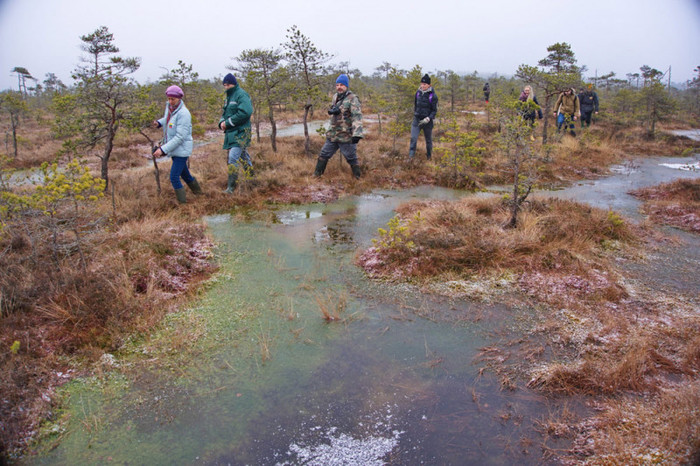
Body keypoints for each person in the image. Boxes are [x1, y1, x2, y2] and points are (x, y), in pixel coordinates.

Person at [151, 85, 200, 204]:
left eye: (173, 99)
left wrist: (163, 150)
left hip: (181, 150)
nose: (170, 101)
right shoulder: (170, 107)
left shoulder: (184, 114)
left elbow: (180, 137)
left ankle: (183, 205)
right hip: (174, 149)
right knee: (186, 175)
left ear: (179, 98)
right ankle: (200, 195)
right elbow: (168, 119)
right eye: (168, 98)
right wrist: (159, 122)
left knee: (174, 177)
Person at [313, 74, 363, 179]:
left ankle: (358, 179)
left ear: (346, 86)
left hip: (346, 135)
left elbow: (357, 116)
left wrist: (357, 134)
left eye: (341, 85)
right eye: (337, 85)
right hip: (333, 134)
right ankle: (316, 176)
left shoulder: (353, 99)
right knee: (324, 154)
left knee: (351, 158)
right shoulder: (335, 97)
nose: (339, 87)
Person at [219, 73, 254, 194]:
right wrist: (221, 123)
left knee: (233, 157)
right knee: (243, 156)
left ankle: (231, 188)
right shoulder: (228, 97)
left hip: (241, 132)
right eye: (224, 85)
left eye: (228, 84)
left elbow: (246, 112)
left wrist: (228, 123)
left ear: (233, 83)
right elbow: (224, 113)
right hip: (232, 133)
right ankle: (251, 180)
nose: (226, 87)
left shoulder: (241, 94)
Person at [409, 74, 439, 160]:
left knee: (428, 140)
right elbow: (415, 105)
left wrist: (428, 118)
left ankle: (429, 157)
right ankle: (411, 158)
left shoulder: (433, 96)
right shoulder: (418, 93)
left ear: (429, 85)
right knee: (413, 139)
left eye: (424, 84)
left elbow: (434, 110)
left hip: (427, 122)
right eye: (421, 83)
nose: (422, 86)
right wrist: (416, 115)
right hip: (417, 120)